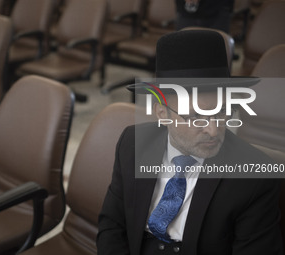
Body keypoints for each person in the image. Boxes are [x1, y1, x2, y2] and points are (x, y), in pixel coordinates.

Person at [97, 30, 283, 255]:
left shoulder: (255, 179)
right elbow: (112, 224)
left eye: (222, 111)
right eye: (196, 117)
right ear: (162, 113)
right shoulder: (132, 143)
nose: (213, 130)